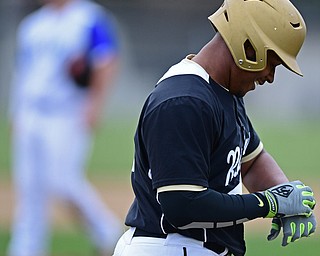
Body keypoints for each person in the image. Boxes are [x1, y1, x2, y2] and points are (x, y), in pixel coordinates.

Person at [112, 0, 317, 256]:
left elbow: (251, 161)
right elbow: (183, 206)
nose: (270, 77)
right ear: (249, 46)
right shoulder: (184, 100)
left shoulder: (224, 92)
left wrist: (286, 197)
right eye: (272, 63)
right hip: (170, 247)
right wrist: (269, 203)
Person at [8, 0, 122, 255]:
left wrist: (95, 103)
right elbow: (23, 73)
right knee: (29, 187)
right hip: (31, 112)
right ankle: (26, 249)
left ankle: (107, 232)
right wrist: (15, 112)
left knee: (63, 181)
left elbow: (107, 60)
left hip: (66, 112)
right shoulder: (32, 25)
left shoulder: (88, 17)